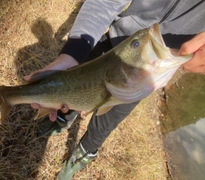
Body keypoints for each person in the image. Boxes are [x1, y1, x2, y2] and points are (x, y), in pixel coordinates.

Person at [24, 0, 205, 179]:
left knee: (103, 125)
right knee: (74, 92)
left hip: (143, 77)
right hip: (113, 44)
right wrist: (72, 54)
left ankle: (83, 154)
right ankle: (64, 118)